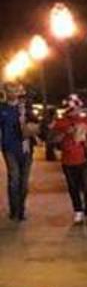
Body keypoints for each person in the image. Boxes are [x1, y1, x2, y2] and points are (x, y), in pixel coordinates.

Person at [50, 95, 87, 225]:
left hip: (85, 159)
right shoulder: (60, 122)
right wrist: (66, 132)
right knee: (73, 187)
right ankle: (78, 210)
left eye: (75, 108)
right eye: (70, 108)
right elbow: (53, 140)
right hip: (68, 160)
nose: (74, 111)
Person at [1, 85, 34, 221]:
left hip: (26, 149)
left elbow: (36, 125)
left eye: (15, 91)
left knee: (24, 182)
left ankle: (21, 210)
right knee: (14, 178)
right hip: (9, 148)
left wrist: (30, 125)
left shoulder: (25, 109)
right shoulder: (2, 109)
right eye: (9, 91)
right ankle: (14, 210)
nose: (12, 94)